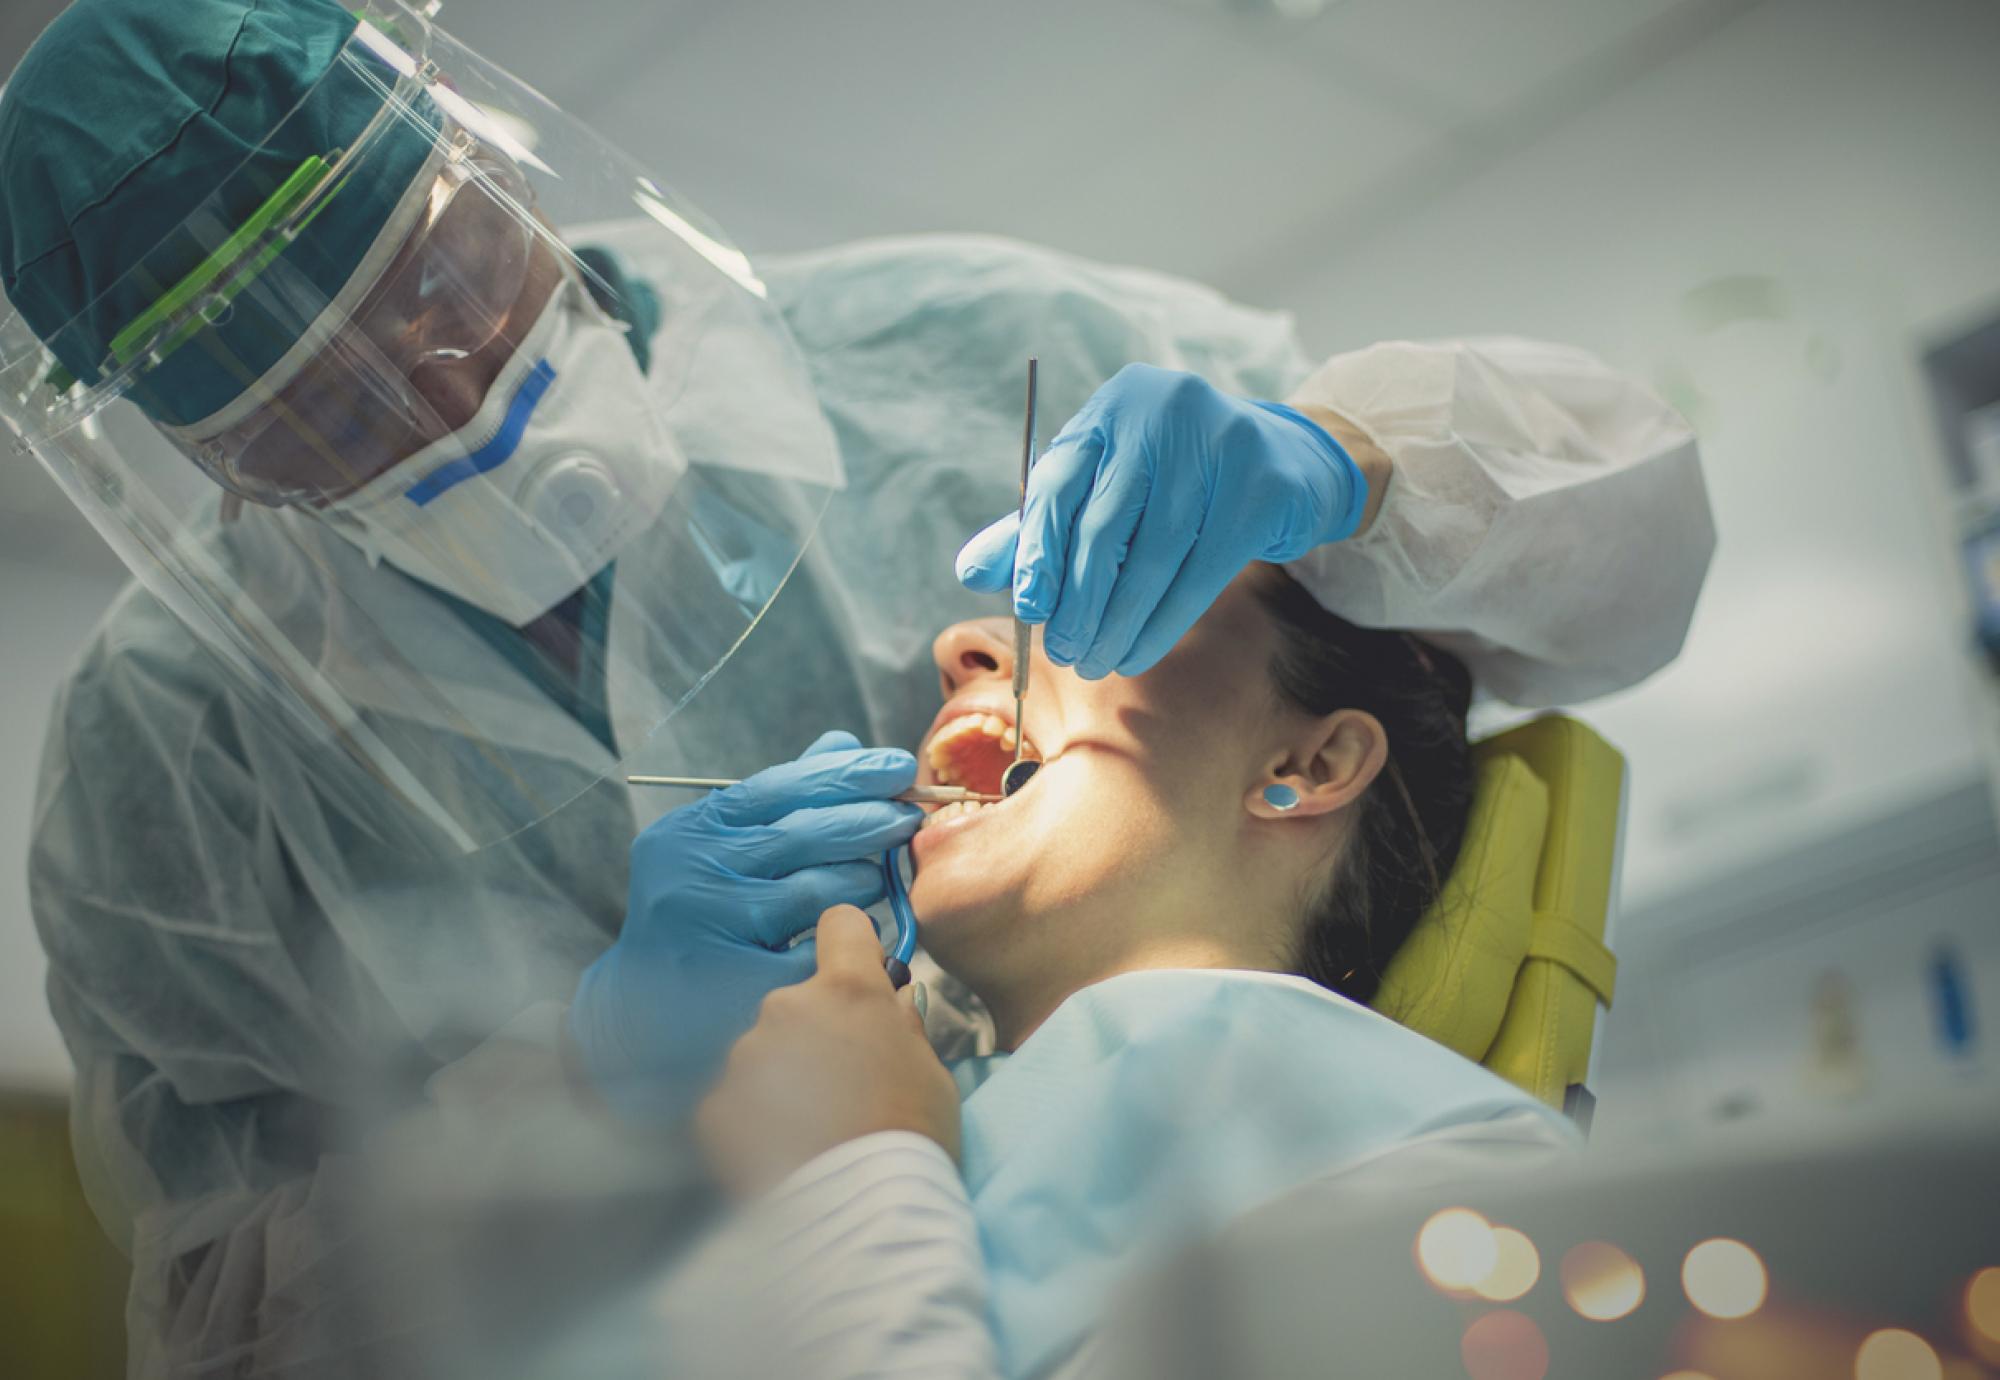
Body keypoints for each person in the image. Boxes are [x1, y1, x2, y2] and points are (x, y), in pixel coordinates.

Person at [0, 0, 1713, 1372]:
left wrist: (1339, 466)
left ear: (480, 154)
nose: (429, 387)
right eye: (308, 401)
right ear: (190, 445)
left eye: (434, 278)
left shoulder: (946, 351)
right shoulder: (182, 753)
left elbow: (1624, 541)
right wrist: (585, 1089)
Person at [677, 568, 1580, 1378]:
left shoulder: (1465, 1186)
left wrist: (847, 1188)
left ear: (1309, 765)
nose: (960, 647)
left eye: (1112, 596)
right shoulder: (901, 1114)